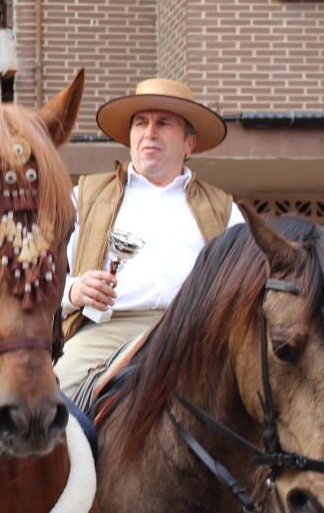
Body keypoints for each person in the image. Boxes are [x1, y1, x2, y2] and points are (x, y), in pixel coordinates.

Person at [55, 78, 245, 396]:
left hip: (194, 335)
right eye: (141, 123)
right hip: (107, 330)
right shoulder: (84, 197)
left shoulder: (225, 210)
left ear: (189, 144)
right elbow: (36, 275)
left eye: (164, 123)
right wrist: (74, 290)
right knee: (52, 397)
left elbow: (247, 287)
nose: (149, 133)